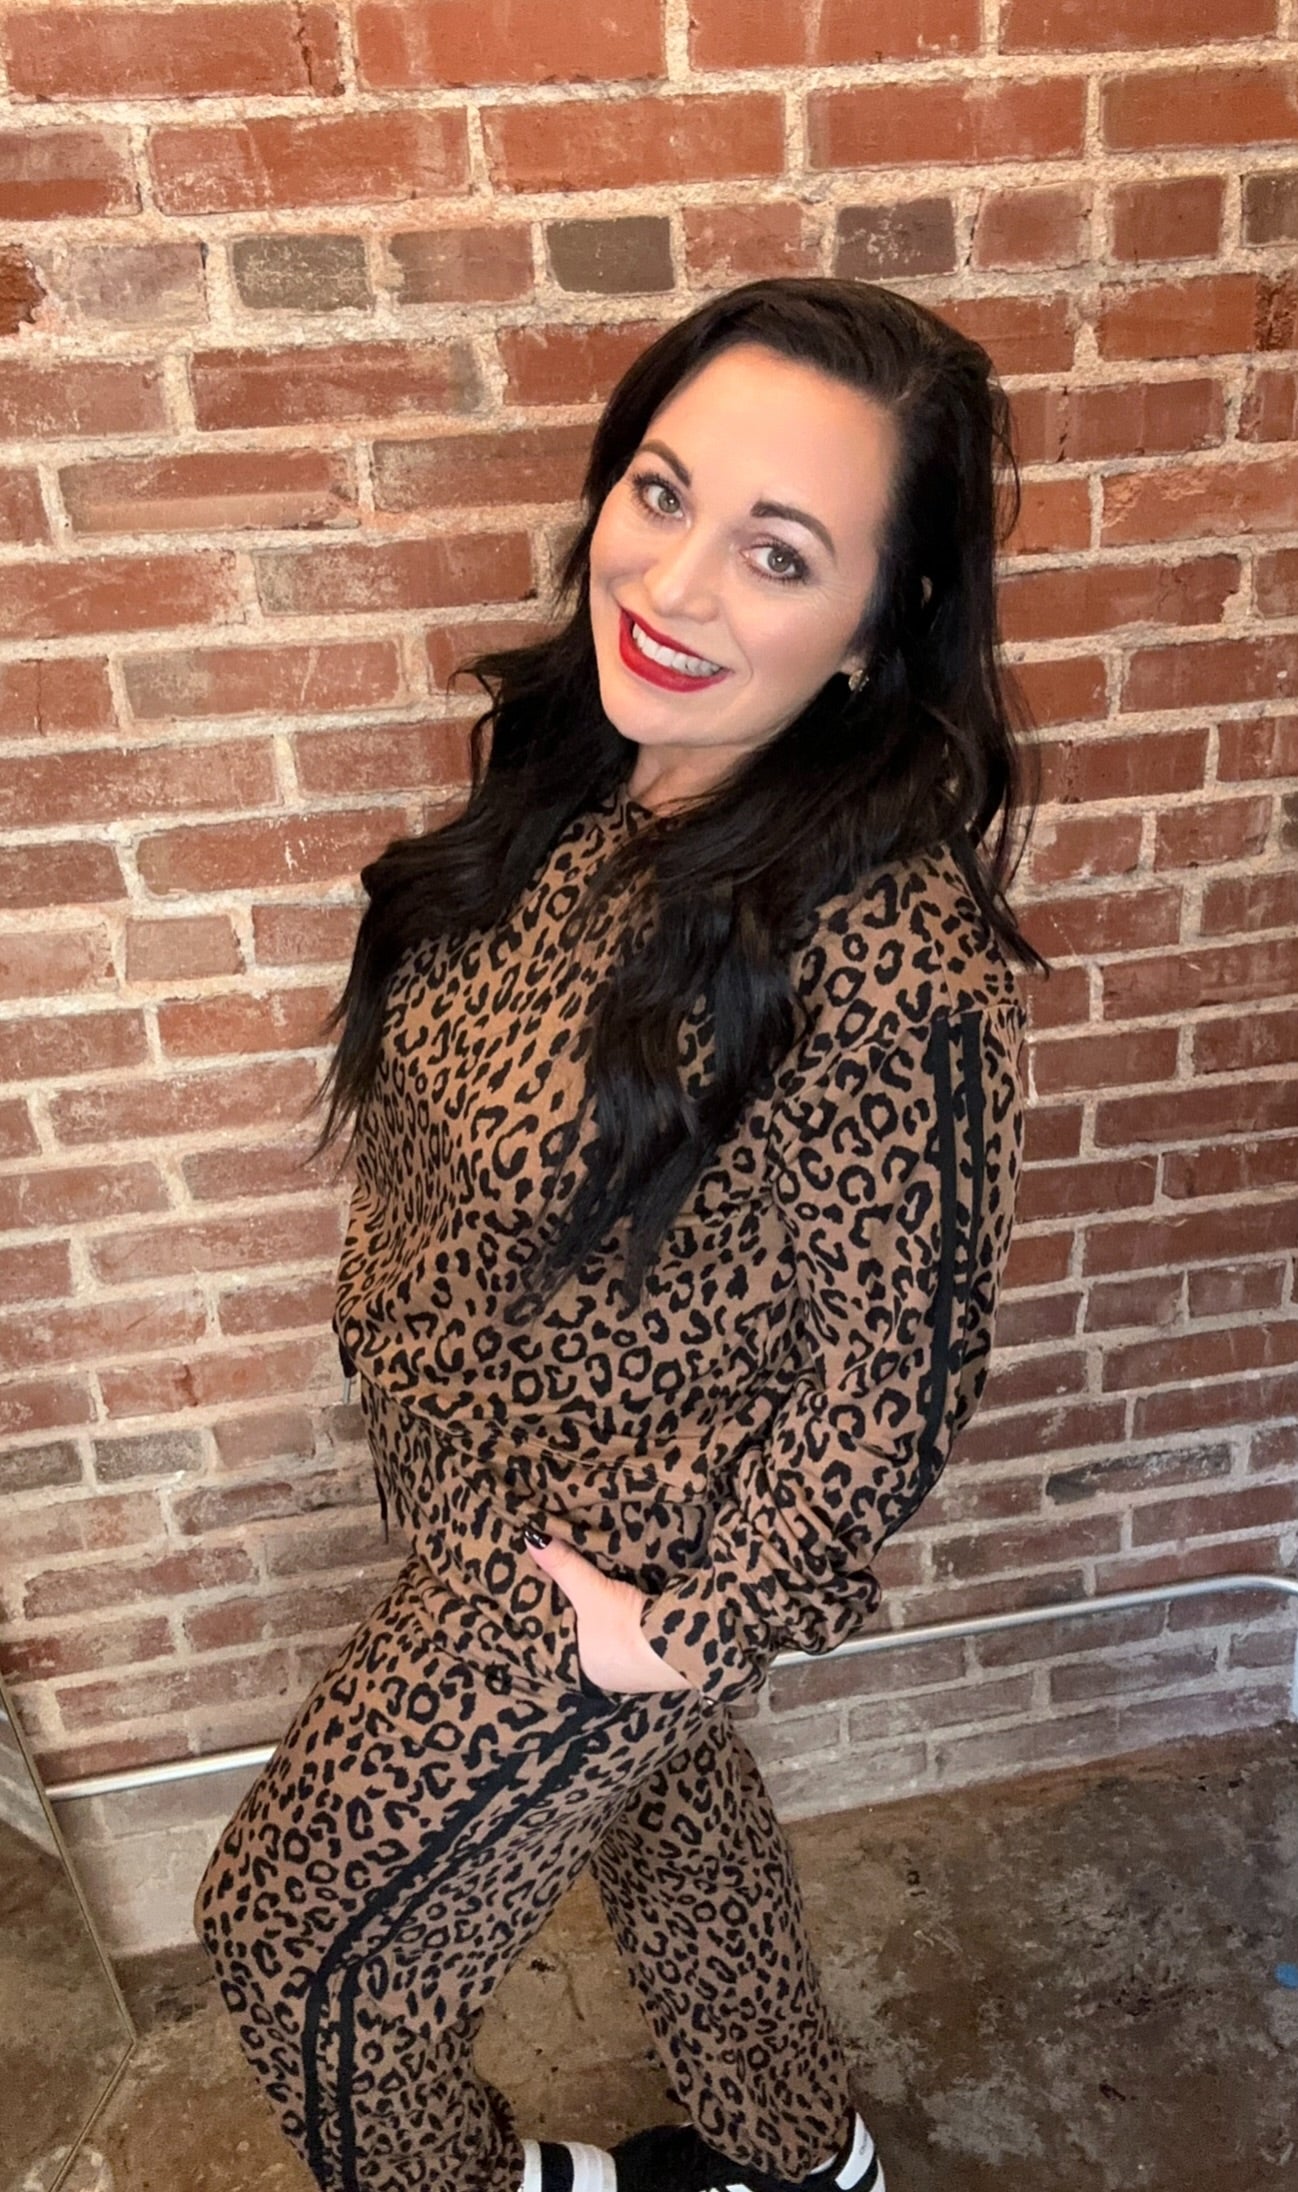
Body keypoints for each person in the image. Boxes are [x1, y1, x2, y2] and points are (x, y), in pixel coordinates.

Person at [194, 275, 1047, 2192]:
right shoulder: (590, 769)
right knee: (671, 1827)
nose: (671, 584)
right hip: (474, 1478)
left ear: (876, 625)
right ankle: (803, 2164)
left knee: (298, 1944)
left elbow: (898, 1376)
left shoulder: (887, 949)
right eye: (660, 494)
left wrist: (694, 1630)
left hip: (610, 1549)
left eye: (777, 552)